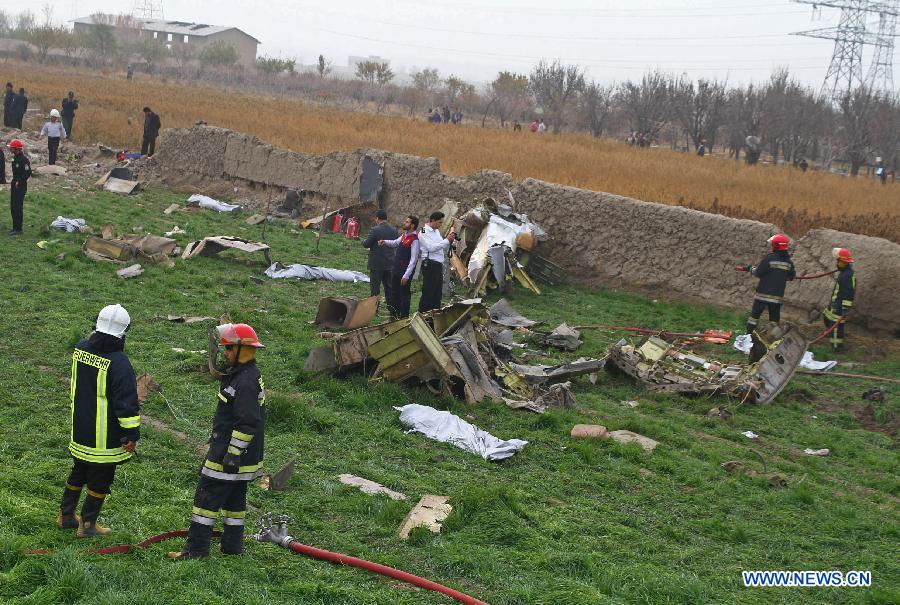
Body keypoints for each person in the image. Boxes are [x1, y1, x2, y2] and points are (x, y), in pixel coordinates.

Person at [170, 323, 266, 560]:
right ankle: (232, 548)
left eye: (229, 349)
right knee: (234, 503)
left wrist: (232, 453)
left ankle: (196, 551)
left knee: (205, 500)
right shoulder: (246, 375)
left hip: (228, 456)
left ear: (242, 350)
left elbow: (247, 422)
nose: (225, 353)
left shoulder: (244, 382)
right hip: (243, 457)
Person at [60, 304, 140, 537]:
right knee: (100, 478)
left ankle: (66, 517)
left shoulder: (80, 349)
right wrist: (131, 435)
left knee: (79, 470)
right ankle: (87, 526)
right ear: (124, 331)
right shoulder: (120, 363)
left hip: (80, 429)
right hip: (104, 438)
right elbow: (126, 405)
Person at [741, 233, 795, 334]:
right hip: (777, 298)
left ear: (775, 245)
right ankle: (771, 339)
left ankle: (748, 335)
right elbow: (791, 276)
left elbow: (759, 272)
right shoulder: (789, 262)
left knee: (754, 317)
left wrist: (750, 269)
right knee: (774, 321)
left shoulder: (769, 258)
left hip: (762, 296)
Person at [379, 215, 420, 319]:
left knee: (404, 294)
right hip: (396, 269)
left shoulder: (414, 240)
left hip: (404, 272)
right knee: (394, 292)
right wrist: (385, 242)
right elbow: (394, 243)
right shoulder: (404, 236)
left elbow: (413, 260)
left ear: (412, 225)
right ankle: (394, 314)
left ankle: (404, 316)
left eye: (407, 222)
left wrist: (406, 275)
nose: (404, 223)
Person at [418, 211, 456, 313]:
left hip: (438, 265)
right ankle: (423, 313)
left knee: (437, 292)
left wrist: (450, 240)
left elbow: (441, 245)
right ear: (433, 220)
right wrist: (447, 240)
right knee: (428, 291)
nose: (440, 225)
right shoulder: (423, 231)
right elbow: (431, 247)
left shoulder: (436, 232)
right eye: (439, 222)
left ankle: (435, 313)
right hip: (430, 264)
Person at [361, 209, 399, 306]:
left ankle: (374, 307)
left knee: (375, 286)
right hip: (389, 263)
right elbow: (395, 244)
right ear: (386, 218)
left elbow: (367, 244)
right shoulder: (394, 230)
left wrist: (362, 241)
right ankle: (391, 307)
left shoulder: (375, 230)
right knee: (389, 287)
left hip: (376, 263)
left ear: (377, 218)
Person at [823, 247, 856, 351]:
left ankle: (837, 347)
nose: (837, 263)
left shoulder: (848, 275)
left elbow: (849, 293)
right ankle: (831, 334)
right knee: (826, 316)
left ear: (844, 262)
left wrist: (845, 308)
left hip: (840, 306)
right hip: (834, 304)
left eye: (838, 261)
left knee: (836, 327)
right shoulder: (844, 272)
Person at [7, 139, 31, 235]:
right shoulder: (14, 158)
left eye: (11, 147)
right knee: (13, 207)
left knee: (18, 207)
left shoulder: (24, 160)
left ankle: (18, 229)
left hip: (20, 186)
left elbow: (28, 172)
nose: (10, 149)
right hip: (14, 184)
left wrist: (19, 182)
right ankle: (14, 227)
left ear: (16, 149)